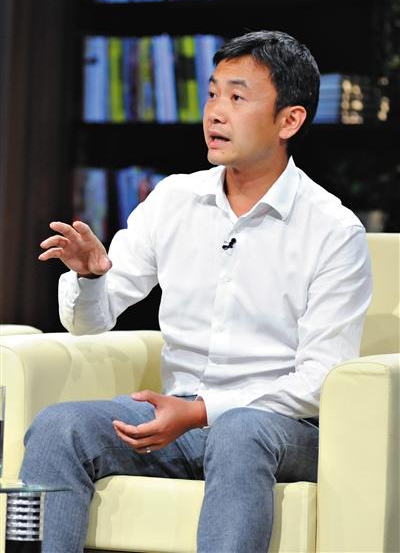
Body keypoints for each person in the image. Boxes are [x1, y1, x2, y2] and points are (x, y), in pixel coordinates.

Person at [20, 30, 372, 553]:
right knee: (58, 426)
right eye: (211, 94)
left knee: (240, 430)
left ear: (289, 121)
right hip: (176, 416)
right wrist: (92, 277)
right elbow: (89, 323)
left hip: (280, 428)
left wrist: (205, 411)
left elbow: (322, 379)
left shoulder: (333, 231)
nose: (215, 113)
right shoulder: (173, 199)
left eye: (237, 97)